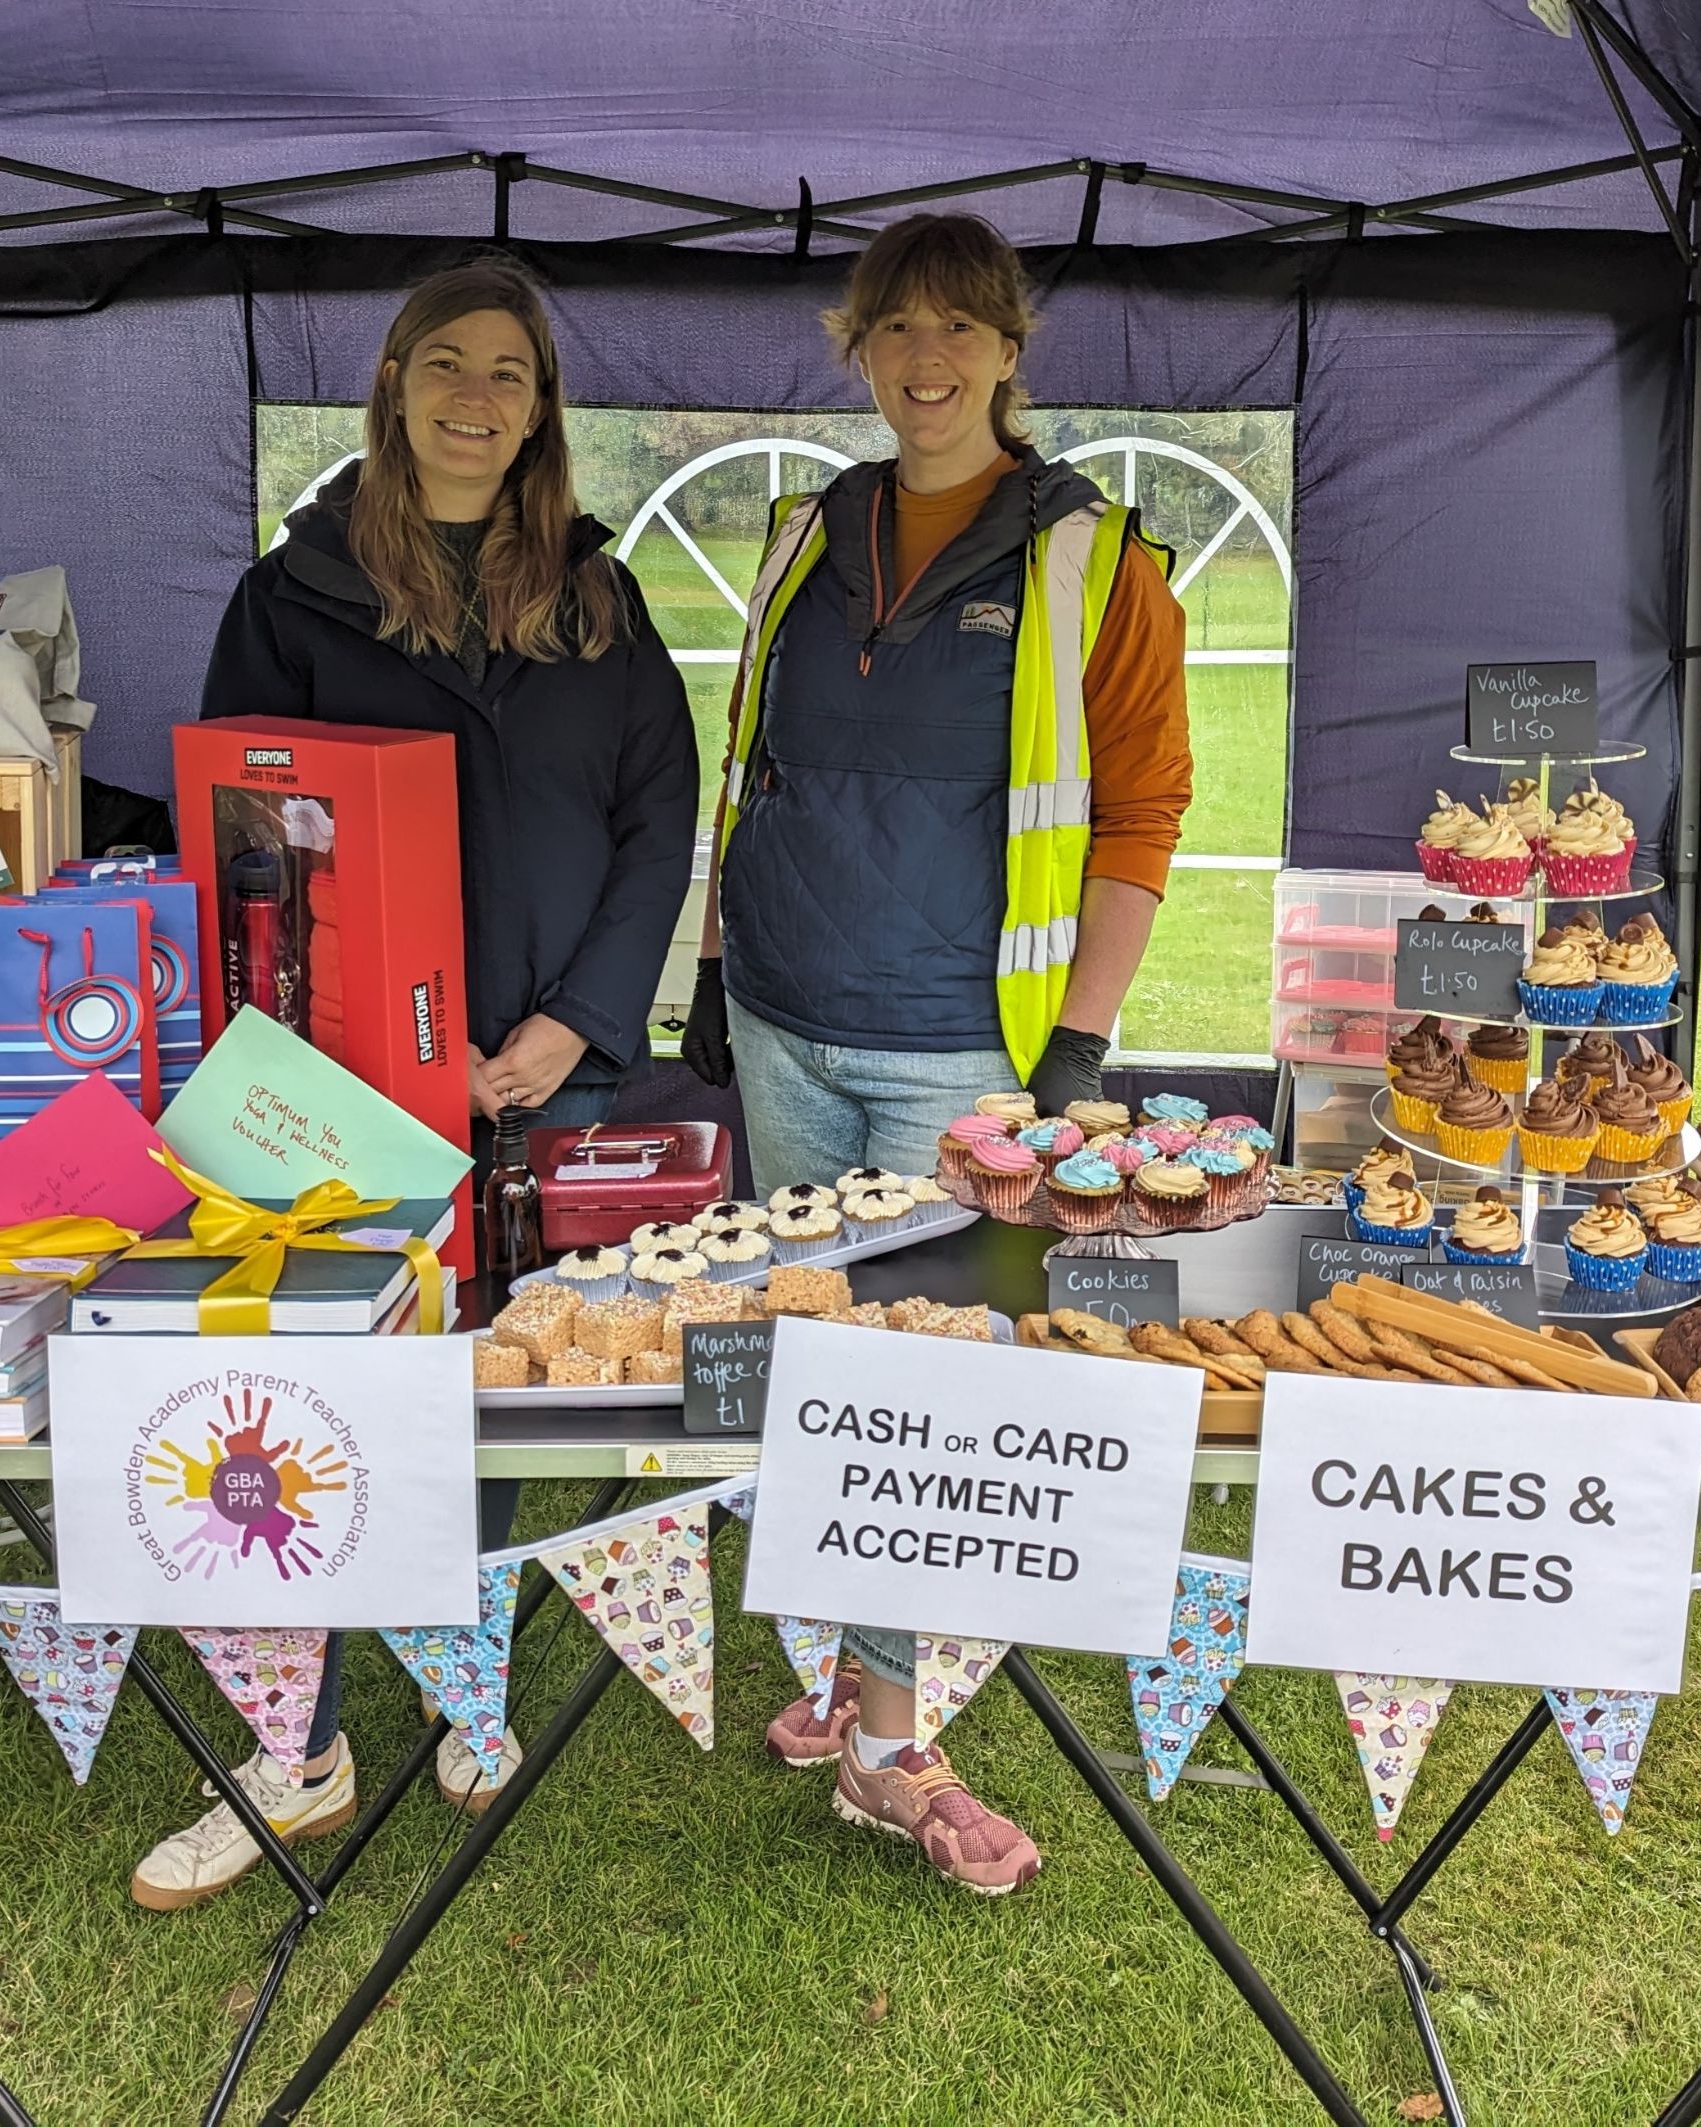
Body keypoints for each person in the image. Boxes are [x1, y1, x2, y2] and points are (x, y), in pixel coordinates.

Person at [132, 259, 697, 1908]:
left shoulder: (602, 599)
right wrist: (375, 1056)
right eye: (444, 365)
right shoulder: (295, 593)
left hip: (548, 1074)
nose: (475, 397)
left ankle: (475, 1679)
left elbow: (660, 818)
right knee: (310, 1394)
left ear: (541, 410)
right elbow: (241, 831)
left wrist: (575, 1028)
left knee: (497, 1387)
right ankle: (291, 1738)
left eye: (509, 373)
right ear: (392, 384)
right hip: (341, 1090)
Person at [682, 215, 1191, 1893]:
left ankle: (889, 1741)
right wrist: (713, 967)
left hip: (959, 1048)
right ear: (858, 345)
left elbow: (1141, 813)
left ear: (1010, 348)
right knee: (815, 1360)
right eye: (896, 327)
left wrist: (1082, 1045)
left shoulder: (1097, 556)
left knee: (913, 1388)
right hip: (782, 1015)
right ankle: (849, 1690)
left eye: (961, 328)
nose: (928, 359)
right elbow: (752, 762)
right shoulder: (803, 532)